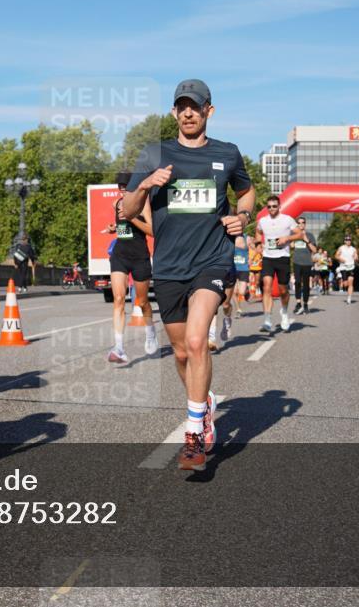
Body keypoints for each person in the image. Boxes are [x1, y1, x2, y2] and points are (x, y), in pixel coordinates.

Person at [123, 79, 255, 471]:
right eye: (181, 106)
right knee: (181, 352)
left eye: (195, 107)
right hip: (168, 267)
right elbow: (128, 210)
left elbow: (246, 193)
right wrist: (145, 184)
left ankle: (194, 433)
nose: (188, 113)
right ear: (173, 112)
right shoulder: (154, 154)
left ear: (208, 111)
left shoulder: (227, 154)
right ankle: (206, 403)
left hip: (212, 260)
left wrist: (242, 217)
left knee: (198, 342)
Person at [100, 171, 157, 363]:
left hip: (139, 256)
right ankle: (119, 348)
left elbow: (152, 231)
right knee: (118, 299)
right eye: (120, 188)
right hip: (120, 255)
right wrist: (113, 228)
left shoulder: (143, 203)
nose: (123, 192)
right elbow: (122, 226)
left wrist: (132, 218)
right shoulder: (116, 204)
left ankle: (150, 332)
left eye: (126, 188)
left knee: (141, 303)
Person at [256, 195, 302, 333]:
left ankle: (284, 312)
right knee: (267, 287)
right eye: (269, 206)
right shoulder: (262, 221)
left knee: (283, 290)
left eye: (274, 206)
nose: (271, 209)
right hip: (268, 258)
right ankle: (267, 320)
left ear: (279, 206)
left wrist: (287, 237)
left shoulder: (287, 219)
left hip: (283, 257)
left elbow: (299, 234)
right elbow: (258, 232)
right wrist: (259, 244)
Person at [291, 216, 317, 314]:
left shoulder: (310, 235)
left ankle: (305, 304)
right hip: (296, 262)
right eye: (299, 222)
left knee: (306, 284)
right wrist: (293, 240)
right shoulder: (294, 234)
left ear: (305, 224)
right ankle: (298, 303)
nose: (301, 224)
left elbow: (314, 250)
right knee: (297, 282)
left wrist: (307, 240)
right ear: (297, 224)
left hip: (307, 263)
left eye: (303, 222)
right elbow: (291, 247)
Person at [335, 235, 359, 304]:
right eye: (347, 240)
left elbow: (356, 257)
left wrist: (356, 258)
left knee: (351, 283)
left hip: (351, 267)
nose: (348, 241)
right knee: (345, 284)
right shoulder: (341, 248)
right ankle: (344, 284)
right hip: (343, 267)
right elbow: (336, 256)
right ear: (345, 241)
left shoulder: (353, 249)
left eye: (349, 240)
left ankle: (349, 298)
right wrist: (340, 259)